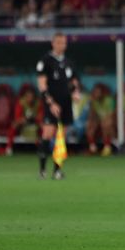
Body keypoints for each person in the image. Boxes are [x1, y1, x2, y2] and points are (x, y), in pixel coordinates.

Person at [36, 32, 79, 179]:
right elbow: (42, 86)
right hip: (52, 104)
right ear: (53, 43)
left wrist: (76, 93)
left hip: (66, 104)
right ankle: (42, 170)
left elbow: (73, 82)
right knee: (47, 133)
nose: (62, 45)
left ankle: (57, 170)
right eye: (59, 42)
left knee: (62, 137)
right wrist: (51, 103)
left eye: (64, 42)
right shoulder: (45, 61)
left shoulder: (69, 62)